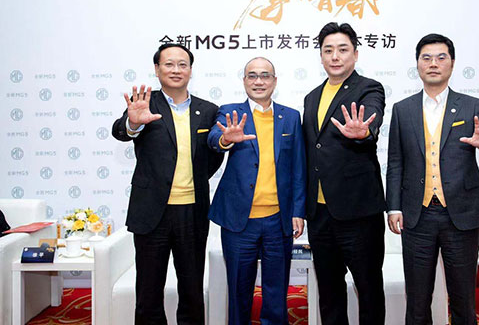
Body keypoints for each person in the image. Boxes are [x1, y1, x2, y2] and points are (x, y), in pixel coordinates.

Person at [386, 33, 479, 325]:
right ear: (417, 64)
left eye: (441, 57)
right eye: (426, 58)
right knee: (417, 300)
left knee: (463, 299)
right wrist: (394, 207)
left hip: (461, 215)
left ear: (452, 64)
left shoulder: (471, 105)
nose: (433, 63)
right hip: (417, 216)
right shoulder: (403, 109)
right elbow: (396, 162)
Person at [112, 43, 223, 325]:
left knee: (192, 290)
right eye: (169, 64)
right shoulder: (144, 103)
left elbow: (213, 156)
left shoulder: (208, 110)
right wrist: (133, 124)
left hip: (192, 212)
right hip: (152, 213)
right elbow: (120, 130)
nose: (176, 70)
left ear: (191, 70)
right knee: (148, 291)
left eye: (182, 64)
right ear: (157, 69)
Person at [207, 57, 306, 325]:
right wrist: (226, 138)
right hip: (239, 221)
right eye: (252, 75)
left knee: (276, 292)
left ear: (274, 81)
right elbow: (214, 139)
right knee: (239, 291)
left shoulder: (290, 117)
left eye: (265, 75)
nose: (258, 81)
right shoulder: (230, 112)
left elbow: (298, 167)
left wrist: (298, 211)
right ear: (244, 81)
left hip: (278, 221)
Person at [302, 22, 386, 324]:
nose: (335, 56)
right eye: (328, 50)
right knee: (329, 291)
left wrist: (364, 132)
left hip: (358, 212)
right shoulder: (312, 97)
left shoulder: (369, 88)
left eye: (342, 49)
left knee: (369, 288)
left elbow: (371, 118)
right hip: (320, 213)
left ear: (355, 54)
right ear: (321, 56)